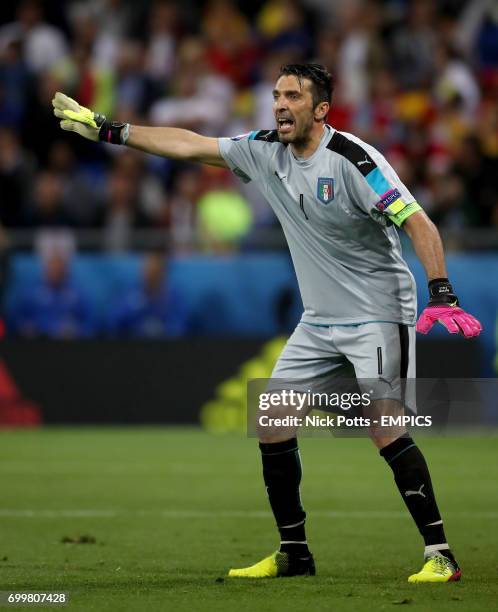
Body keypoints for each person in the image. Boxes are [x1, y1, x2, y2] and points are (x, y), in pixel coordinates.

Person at [51, 62, 481, 583]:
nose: (280, 104)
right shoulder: (262, 150)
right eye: (277, 94)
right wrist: (110, 130)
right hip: (320, 320)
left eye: (293, 96)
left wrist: (441, 291)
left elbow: (417, 221)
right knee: (273, 420)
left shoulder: (355, 160)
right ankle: (294, 554)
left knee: (384, 427)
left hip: (378, 313)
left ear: (320, 110)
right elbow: (190, 144)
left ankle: (441, 554)